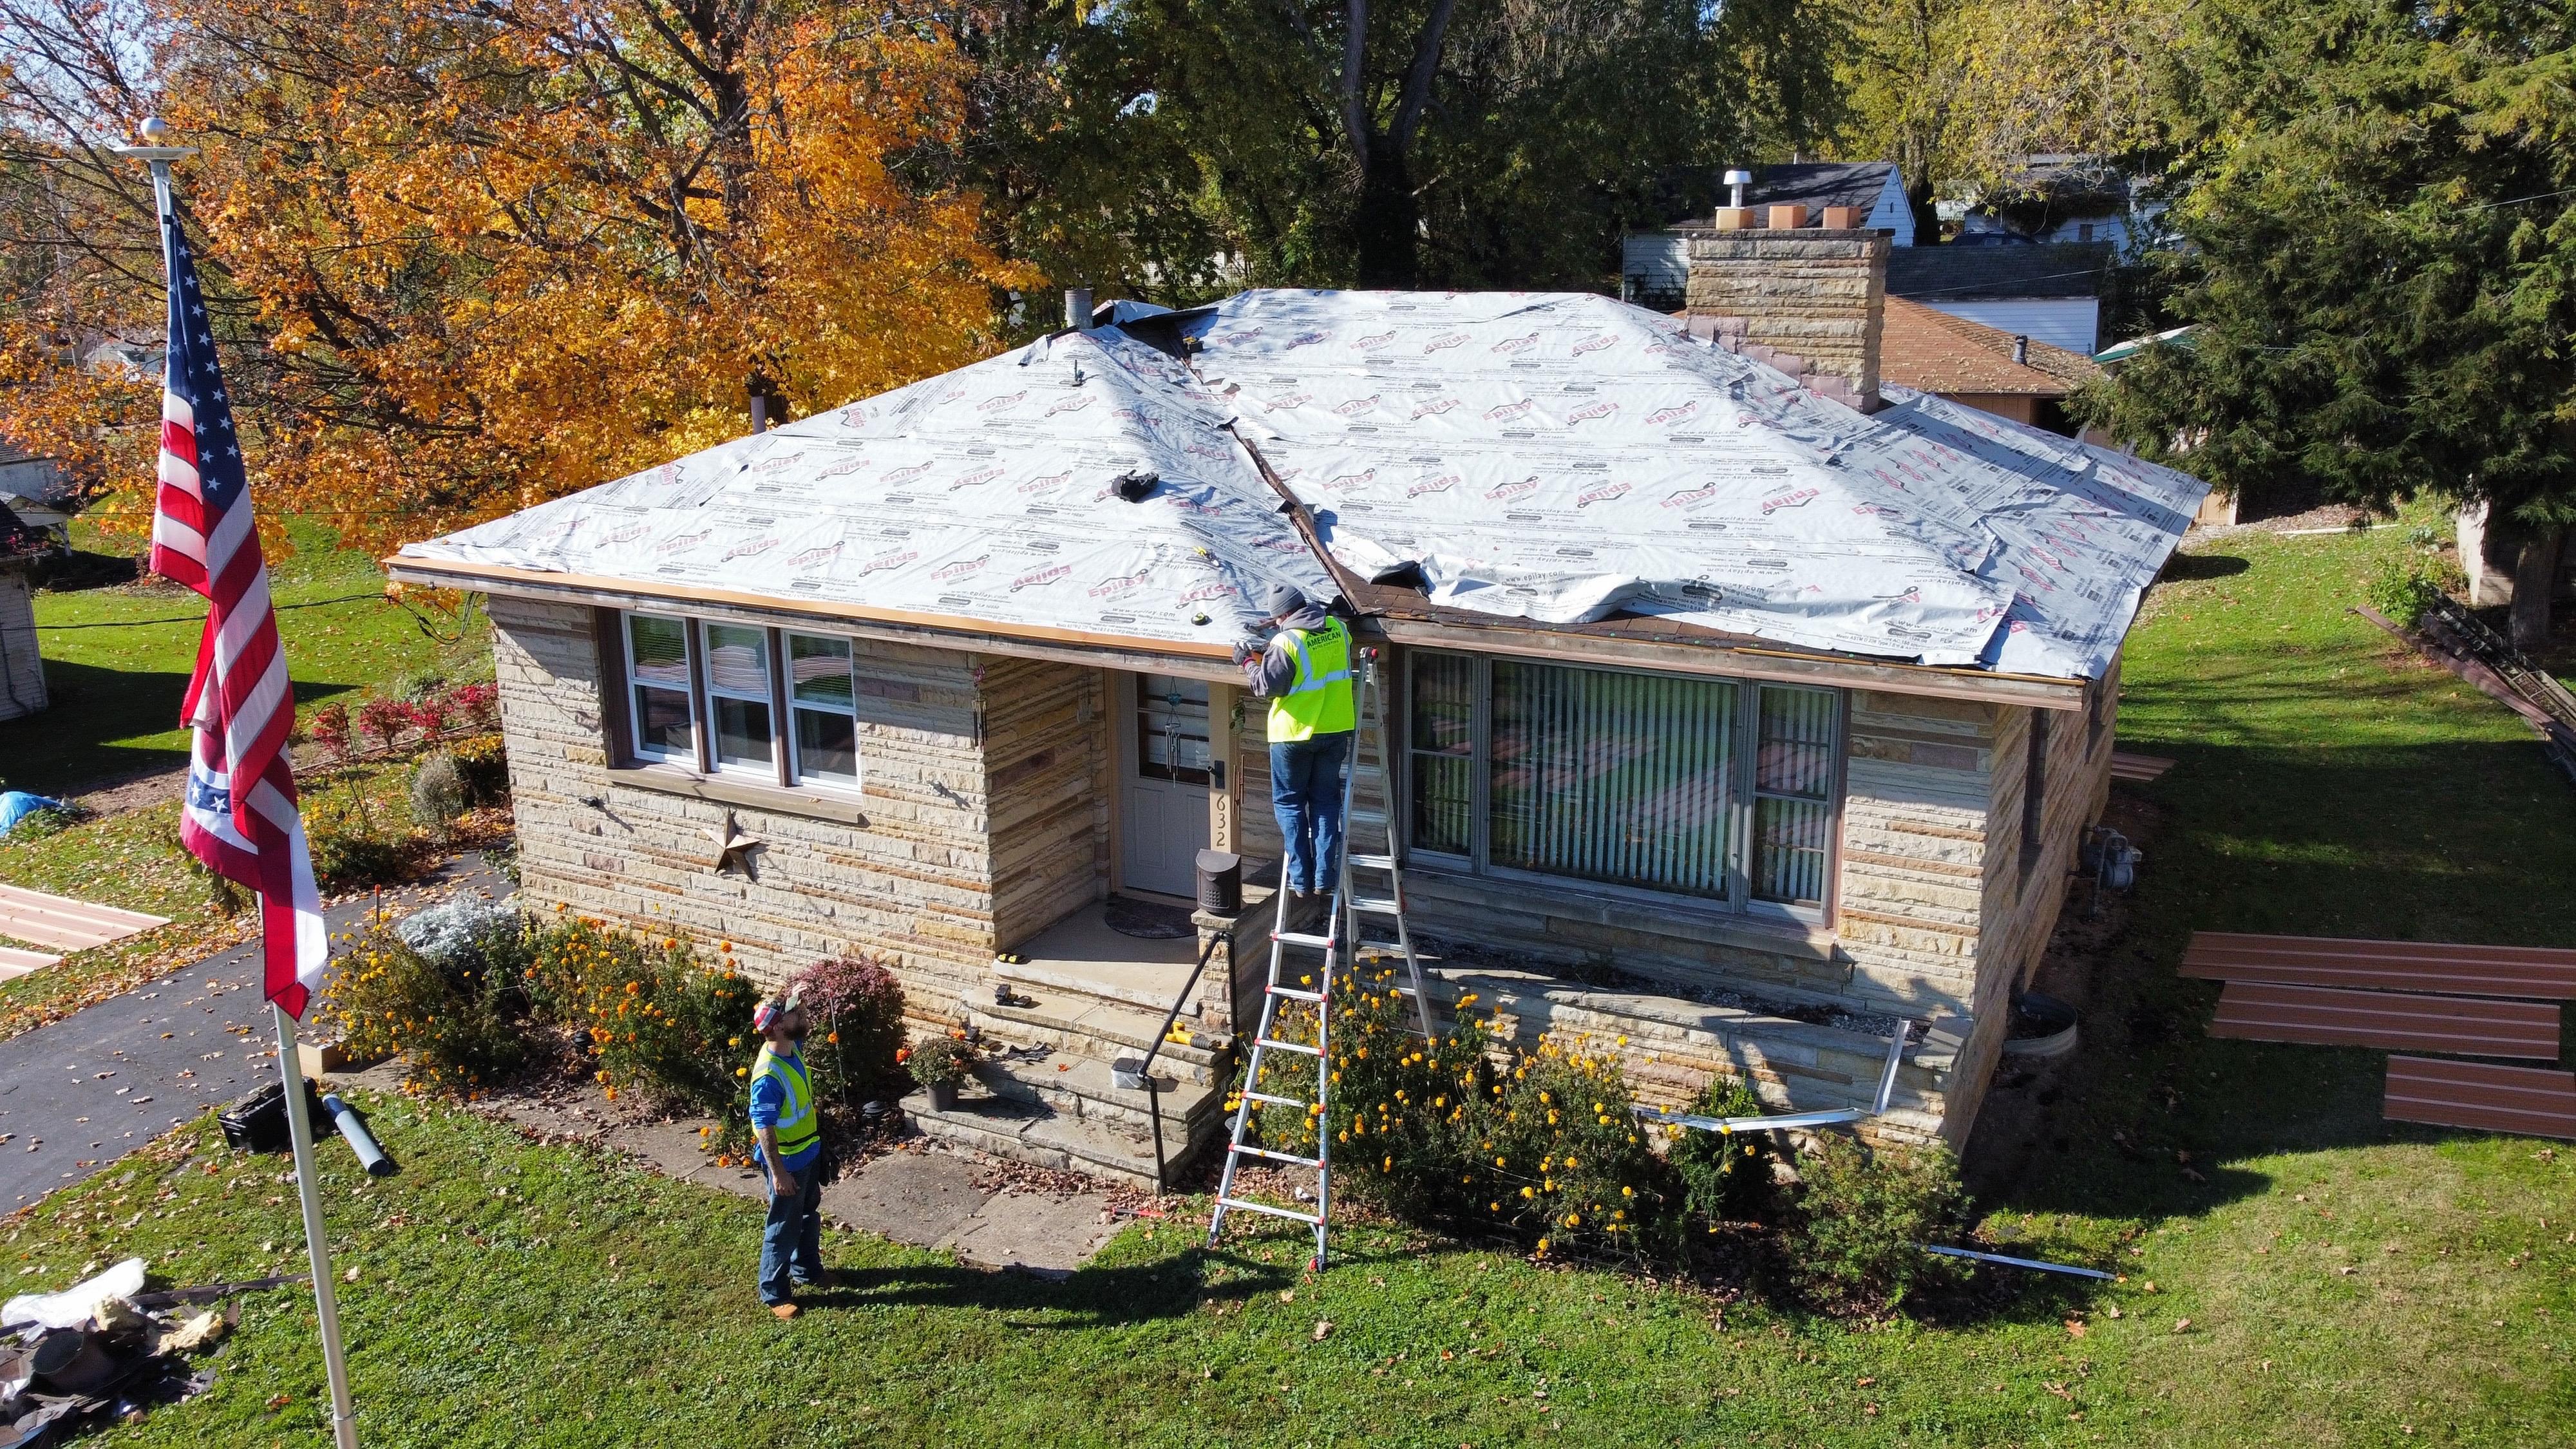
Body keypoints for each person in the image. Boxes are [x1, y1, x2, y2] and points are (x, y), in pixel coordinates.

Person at [1235, 583, 1357, 921]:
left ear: (1285, 616)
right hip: (1334, 730)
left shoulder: (1285, 642)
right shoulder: (1338, 629)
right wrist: (1272, 650)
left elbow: (1266, 686)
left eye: (1277, 620)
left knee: (1290, 804)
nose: (1275, 625)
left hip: (1294, 736)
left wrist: (1247, 660)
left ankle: (1301, 880)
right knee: (1325, 804)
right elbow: (1317, 658)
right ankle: (1324, 879)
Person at [747, 992, 826, 1318]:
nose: (805, 1014)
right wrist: (778, 1174)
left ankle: (807, 1270)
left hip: (807, 1153)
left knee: (808, 1216)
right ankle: (774, 1293)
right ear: (779, 1027)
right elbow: (763, 1127)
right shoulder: (768, 1077)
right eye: (798, 1013)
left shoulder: (792, 1049)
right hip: (788, 1165)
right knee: (783, 1227)